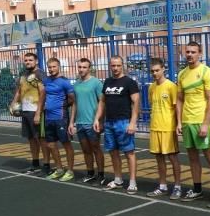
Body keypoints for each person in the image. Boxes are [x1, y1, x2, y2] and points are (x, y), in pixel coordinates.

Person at [176, 41, 210, 206]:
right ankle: (197, 189)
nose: (189, 55)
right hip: (187, 122)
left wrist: (205, 123)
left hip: (201, 122)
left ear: (200, 53)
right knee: (192, 158)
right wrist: (179, 122)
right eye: (187, 52)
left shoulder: (207, 72)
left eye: (193, 52)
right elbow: (179, 100)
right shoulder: (182, 74)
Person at [93, 55, 140, 194]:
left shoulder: (129, 82)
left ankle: (132, 182)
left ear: (122, 65)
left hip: (124, 122)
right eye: (113, 65)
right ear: (110, 66)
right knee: (113, 152)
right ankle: (118, 179)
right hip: (109, 122)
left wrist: (132, 122)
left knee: (129, 153)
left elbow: (136, 103)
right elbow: (102, 101)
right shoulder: (107, 82)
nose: (116, 68)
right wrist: (97, 119)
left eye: (118, 65)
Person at [147, 58, 182, 200]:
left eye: (157, 70)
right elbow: (152, 104)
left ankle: (178, 187)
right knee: (159, 158)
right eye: (152, 71)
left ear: (163, 69)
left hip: (168, 128)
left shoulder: (171, 86)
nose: (154, 73)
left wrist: (178, 124)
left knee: (172, 158)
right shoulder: (151, 87)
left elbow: (177, 107)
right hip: (155, 127)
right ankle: (162, 186)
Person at [68, 57, 106, 185]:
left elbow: (102, 102)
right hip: (80, 123)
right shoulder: (76, 84)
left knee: (96, 149)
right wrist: (71, 122)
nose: (81, 69)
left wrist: (100, 120)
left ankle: (101, 175)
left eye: (84, 67)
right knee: (85, 150)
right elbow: (75, 104)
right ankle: (90, 173)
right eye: (80, 67)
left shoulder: (96, 83)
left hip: (92, 123)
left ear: (89, 68)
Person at [10, 52, 49, 175]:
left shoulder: (40, 74)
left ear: (36, 61)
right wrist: (13, 104)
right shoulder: (23, 75)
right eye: (26, 60)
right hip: (25, 111)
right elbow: (19, 91)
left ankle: (46, 165)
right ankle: (35, 163)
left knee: (41, 139)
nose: (28, 62)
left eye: (30, 60)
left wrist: (38, 112)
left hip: (36, 111)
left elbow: (43, 93)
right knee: (31, 139)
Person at [42, 58, 75, 182]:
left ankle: (70, 171)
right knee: (51, 144)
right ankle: (59, 169)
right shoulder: (46, 81)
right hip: (48, 118)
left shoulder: (64, 82)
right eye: (49, 67)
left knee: (66, 144)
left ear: (59, 67)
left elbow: (72, 99)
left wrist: (62, 106)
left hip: (61, 118)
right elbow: (44, 96)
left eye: (54, 67)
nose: (51, 69)